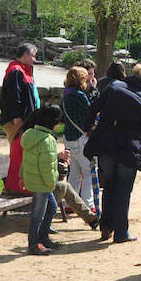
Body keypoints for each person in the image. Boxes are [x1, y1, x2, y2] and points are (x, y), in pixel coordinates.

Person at [84, 62, 141, 244]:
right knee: (123, 191)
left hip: (107, 143)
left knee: (109, 186)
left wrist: (89, 127)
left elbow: (93, 108)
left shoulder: (113, 87)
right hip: (129, 148)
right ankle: (121, 232)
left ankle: (106, 227)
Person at [20, 104, 63, 255]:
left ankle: (43, 238)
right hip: (43, 183)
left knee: (51, 208)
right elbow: (48, 166)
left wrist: (22, 176)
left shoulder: (29, 134)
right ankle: (33, 245)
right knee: (37, 216)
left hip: (35, 180)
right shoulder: (48, 140)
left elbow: (25, 159)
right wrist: (52, 183)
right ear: (54, 123)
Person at [61, 65, 94, 210]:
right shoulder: (80, 96)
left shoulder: (65, 95)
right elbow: (91, 112)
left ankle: (70, 203)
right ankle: (88, 204)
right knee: (88, 172)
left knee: (74, 173)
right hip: (81, 137)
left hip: (68, 137)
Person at [0, 42, 40, 145]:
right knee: (18, 150)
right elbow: (14, 95)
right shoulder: (16, 70)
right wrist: (16, 117)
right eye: (33, 56)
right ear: (25, 55)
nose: (34, 60)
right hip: (16, 121)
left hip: (25, 120)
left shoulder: (25, 70)